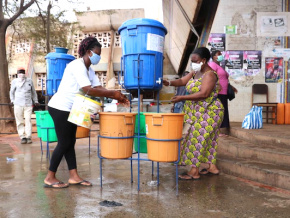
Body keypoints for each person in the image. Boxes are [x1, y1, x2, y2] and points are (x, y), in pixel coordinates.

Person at [44, 36, 129, 188]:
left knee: (71, 142)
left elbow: (99, 88)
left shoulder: (89, 70)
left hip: (72, 108)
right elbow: (88, 89)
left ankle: (74, 176)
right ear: (89, 52)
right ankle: (50, 177)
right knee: (64, 143)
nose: (98, 56)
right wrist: (112, 94)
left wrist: (118, 95)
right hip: (60, 107)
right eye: (97, 53)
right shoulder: (77, 65)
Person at [163, 47, 224, 180]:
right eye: (192, 61)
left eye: (195, 61)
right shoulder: (196, 72)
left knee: (197, 139)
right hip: (198, 111)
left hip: (210, 111)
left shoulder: (210, 74)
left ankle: (194, 172)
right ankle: (211, 167)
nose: (193, 63)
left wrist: (182, 98)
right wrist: (168, 82)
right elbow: (182, 81)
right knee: (209, 140)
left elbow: (204, 94)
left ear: (203, 60)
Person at [208, 50, 238, 136]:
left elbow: (224, 78)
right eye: (218, 54)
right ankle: (216, 131)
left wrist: (230, 87)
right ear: (213, 57)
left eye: (221, 54)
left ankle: (220, 129)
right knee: (218, 111)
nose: (220, 56)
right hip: (218, 92)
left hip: (224, 92)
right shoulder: (212, 65)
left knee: (222, 110)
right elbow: (211, 76)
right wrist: (216, 85)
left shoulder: (219, 66)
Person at [10, 67, 40, 144]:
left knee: (28, 120)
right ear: (17, 74)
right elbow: (11, 92)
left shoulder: (29, 81)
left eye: (22, 73)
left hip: (28, 104)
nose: (21, 74)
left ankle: (28, 136)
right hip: (18, 104)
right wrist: (12, 100)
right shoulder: (14, 81)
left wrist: (35, 101)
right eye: (19, 73)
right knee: (19, 121)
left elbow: (33, 92)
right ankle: (22, 136)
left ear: (25, 73)